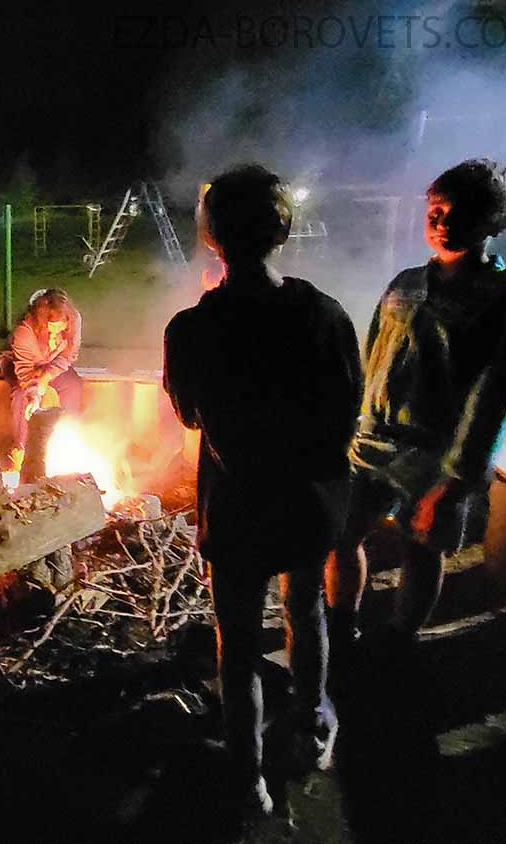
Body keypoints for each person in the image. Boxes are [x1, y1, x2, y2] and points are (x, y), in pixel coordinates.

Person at [163, 165, 362, 818]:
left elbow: (189, 417)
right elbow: (347, 411)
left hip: (238, 508)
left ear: (210, 235)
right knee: (306, 609)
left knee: (239, 645)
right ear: (283, 230)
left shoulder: (190, 330)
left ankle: (248, 778)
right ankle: (312, 725)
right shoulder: (325, 315)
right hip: (308, 502)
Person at [325, 158, 506, 655]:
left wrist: (456, 479)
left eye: (462, 213)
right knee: (340, 535)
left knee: (422, 549)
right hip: (373, 441)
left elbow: (495, 399)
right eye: (436, 211)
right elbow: (372, 358)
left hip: (438, 456)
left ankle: (399, 638)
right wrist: (349, 423)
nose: (444, 223)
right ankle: (340, 625)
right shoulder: (406, 284)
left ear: (496, 222)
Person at [0, 288, 83, 471]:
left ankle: (67, 436)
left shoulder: (74, 319)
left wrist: (46, 377)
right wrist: (34, 395)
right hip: (20, 364)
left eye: (61, 328)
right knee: (21, 395)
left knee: (72, 386)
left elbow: (67, 355)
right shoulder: (24, 331)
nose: (56, 334)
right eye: (51, 329)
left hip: (53, 364)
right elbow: (25, 373)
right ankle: (21, 449)